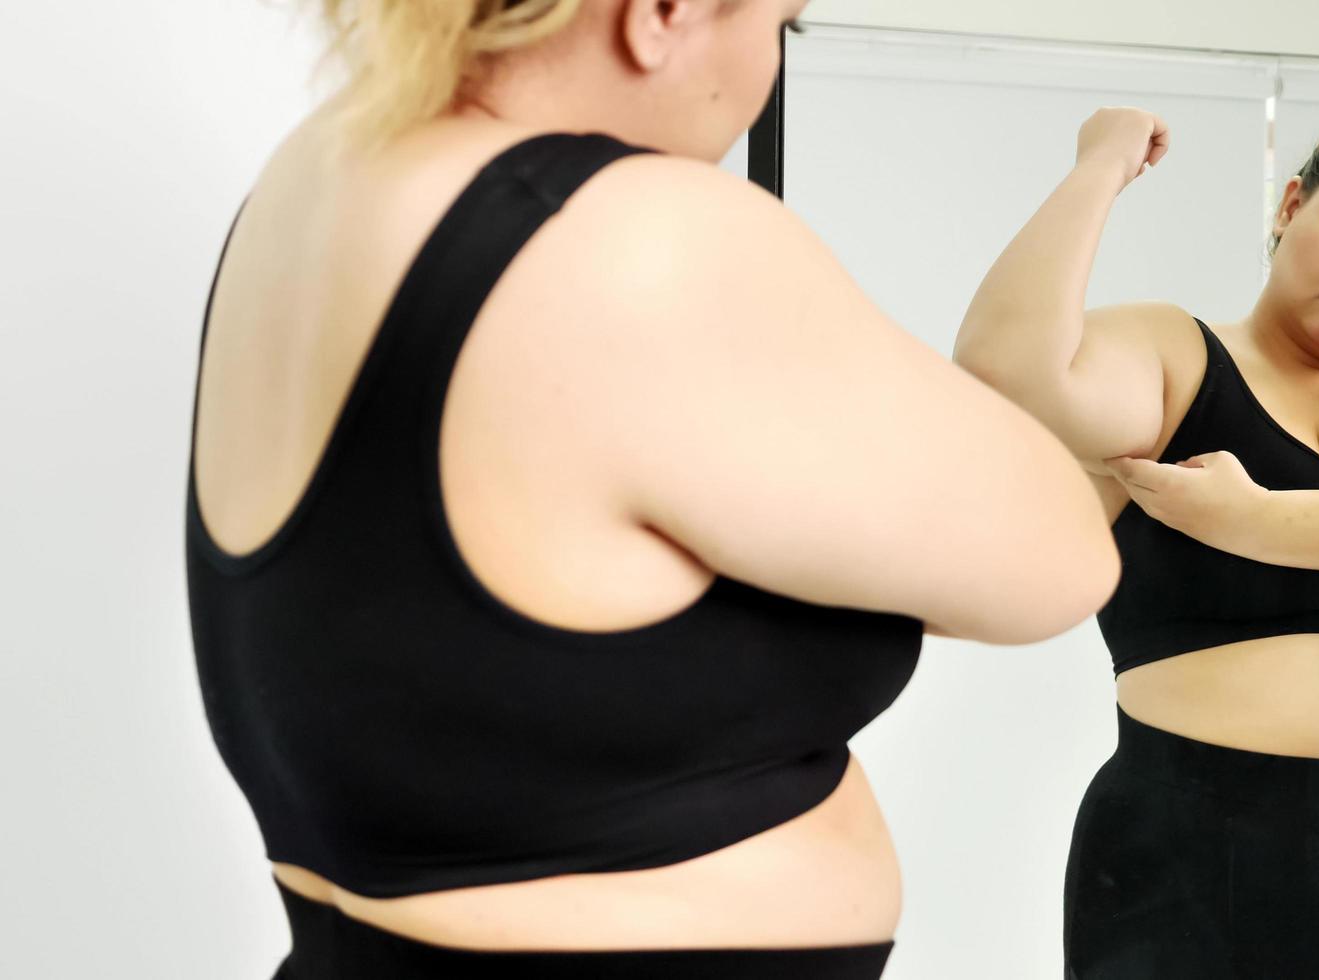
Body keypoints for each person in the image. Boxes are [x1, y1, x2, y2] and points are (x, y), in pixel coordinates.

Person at [185, 1, 1120, 976]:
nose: (764, 70)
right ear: (662, 14)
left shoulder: (322, 170)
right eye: (781, 26)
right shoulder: (625, 231)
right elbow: (1058, 556)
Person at [954, 98, 1319, 977]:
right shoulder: (1176, 358)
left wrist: (1250, 519)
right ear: (1290, 205)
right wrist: (1102, 163)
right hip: (1184, 855)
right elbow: (1007, 370)